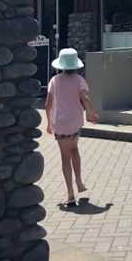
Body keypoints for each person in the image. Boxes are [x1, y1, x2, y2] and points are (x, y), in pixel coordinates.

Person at [45, 48, 99, 206]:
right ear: (75, 65)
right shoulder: (79, 80)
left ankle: (70, 193)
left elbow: (48, 104)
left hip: (59, 122)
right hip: (74, 120)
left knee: (64, 157)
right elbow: (85, 98)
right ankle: (80, 182)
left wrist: (48, 123)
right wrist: (91, 113)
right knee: (75, 150)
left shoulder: (54, 80)